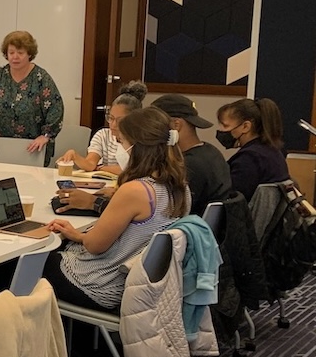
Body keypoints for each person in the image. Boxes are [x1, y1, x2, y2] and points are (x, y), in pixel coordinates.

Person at [45, 107, 190, 311]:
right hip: (141, 285)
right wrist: (77, 235)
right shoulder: (181, 188)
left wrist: (79, 236)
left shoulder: (135, 190)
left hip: (101, 284)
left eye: (121, 141)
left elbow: (95, 246)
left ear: (137, 147)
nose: (119, 147)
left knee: (23, 264)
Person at [0, 30, 64, 163]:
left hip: (32, 148)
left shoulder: (41, 78)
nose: (15, 57)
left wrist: (46, 136)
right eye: (11, 52)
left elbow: (56, 108)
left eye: (20, 53)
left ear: (29, 54)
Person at [153, 94, 232, 216]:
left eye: (155, 124)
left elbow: (168, 211)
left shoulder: (189, 165)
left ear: (176, 125)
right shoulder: (211, 151)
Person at [58, 80, 147, 173]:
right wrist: (75, 156)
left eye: (120, 120)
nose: (113, 125)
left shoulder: (143, 140)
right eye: (111, 118)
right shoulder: (103, 135)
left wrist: (101, 168)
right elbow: (90, 164)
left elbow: (133, 170)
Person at [215, 97, 290, 203]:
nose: (221, 130)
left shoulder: (249, 159)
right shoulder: (273, 151)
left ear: (245, 126)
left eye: (226, 126)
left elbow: (231, 200)